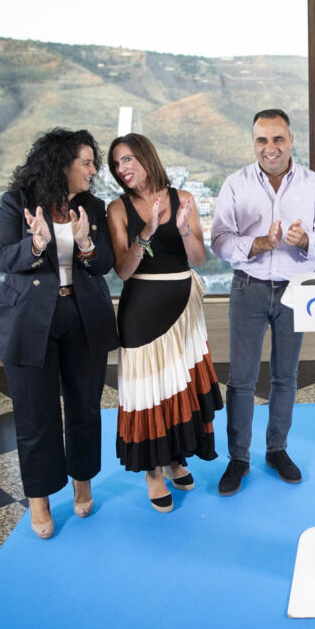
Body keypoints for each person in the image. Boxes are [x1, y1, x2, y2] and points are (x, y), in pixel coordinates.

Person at [0, 128, 118, 539]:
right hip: (29, 322)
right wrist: (36, 243)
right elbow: (2, 257)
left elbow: (104, 266)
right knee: (35, 415)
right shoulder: (19, 201)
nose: (93, 170)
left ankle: (82, 481)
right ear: (61, 164)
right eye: (86, 162)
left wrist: (85, 246)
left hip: (83, 317)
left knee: (84, 407)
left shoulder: (93, 206)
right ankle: (40, 499)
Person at [211, 109, 315, 495]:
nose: (270, 147)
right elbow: (219, 240)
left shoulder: (313, 185)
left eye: (278, 139)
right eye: (262, 140)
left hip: (293, 289)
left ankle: (277, 450)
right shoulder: (235, 185)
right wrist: (259, 243)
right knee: (242, 380)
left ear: (291, 140)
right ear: (254, 142)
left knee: (286, 377)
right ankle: (239, 458)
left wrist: (306, 242)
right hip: (248, 287)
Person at [107, 133, 222, 513]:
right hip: (142, 310)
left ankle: (175, 458)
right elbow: (123, 271)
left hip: (184, 308)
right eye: (117, 163)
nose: (123, 168)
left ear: (145, 157)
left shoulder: (184, 199)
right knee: (149, 390)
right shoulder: (118, 209)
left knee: (178, 386)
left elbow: (199, 258)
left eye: (128, 159)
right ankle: (153, 471)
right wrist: (148, 231)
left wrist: (185, 227)